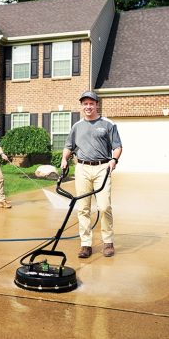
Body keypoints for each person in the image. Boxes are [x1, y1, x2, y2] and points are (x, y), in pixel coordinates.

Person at [61, 91, 122, 258]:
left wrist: (114, 160)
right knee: (83, 208)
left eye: (91, 103)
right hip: (82, 169)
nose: (88, 107)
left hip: (103, 168)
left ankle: (108, 241)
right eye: (85, 104)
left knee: (104, 206)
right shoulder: (77, 126)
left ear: (96, 104)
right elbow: (68, 146)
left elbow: (117, 147)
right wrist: (64, 158)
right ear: (82, 106)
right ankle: (85, 244)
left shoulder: (108, 124)